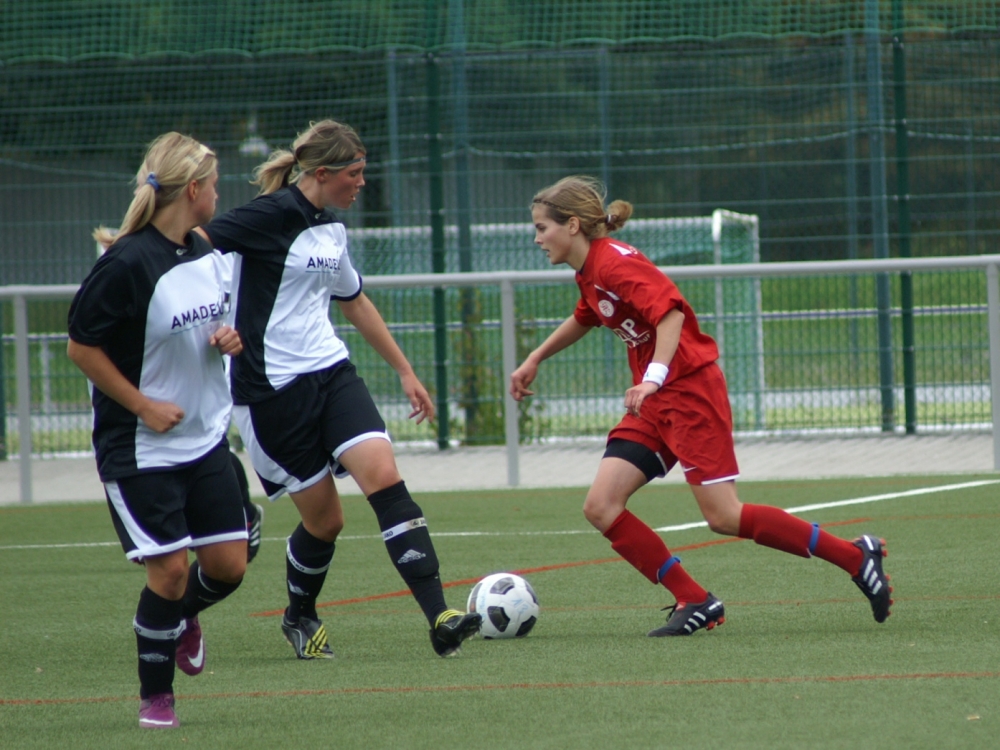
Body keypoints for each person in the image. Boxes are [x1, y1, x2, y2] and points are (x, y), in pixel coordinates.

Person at [510, 175, 893, 636]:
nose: (537, 239)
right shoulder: (590, 270)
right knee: (601, 506)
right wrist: (535, 357)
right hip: (655, 402)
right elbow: (586, 315)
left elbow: (670, 313)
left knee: (724, 516)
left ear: (572, 225)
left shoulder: (613, 263)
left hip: (689, 392)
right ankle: (693, 598)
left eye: (542, 228)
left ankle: (854, 556)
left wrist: (652, 378)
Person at [199, 119, 481, 659]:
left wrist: (405, 371)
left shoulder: (331, 228)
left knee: (385, 478)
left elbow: (354, 300)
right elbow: (195, 247)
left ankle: (441, 617)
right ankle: (299, 615)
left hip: (332, 373)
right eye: (355, 173)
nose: (362, 182)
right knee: (326, 522)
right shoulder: (271, 214)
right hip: (270, 391)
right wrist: (208, 322)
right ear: (323, 172)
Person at [67, 133, 249, 728]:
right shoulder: (125, 263)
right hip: (141, 447)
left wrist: (228, 337)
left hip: (204, 439)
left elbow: (212, 323)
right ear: (192, 189)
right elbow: (81, 347)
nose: (219, 194)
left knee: (229, 566)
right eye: (214, 184)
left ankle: (180, 617)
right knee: (169, 572)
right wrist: (143, 405)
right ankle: (157, 697)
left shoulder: (205, 248)